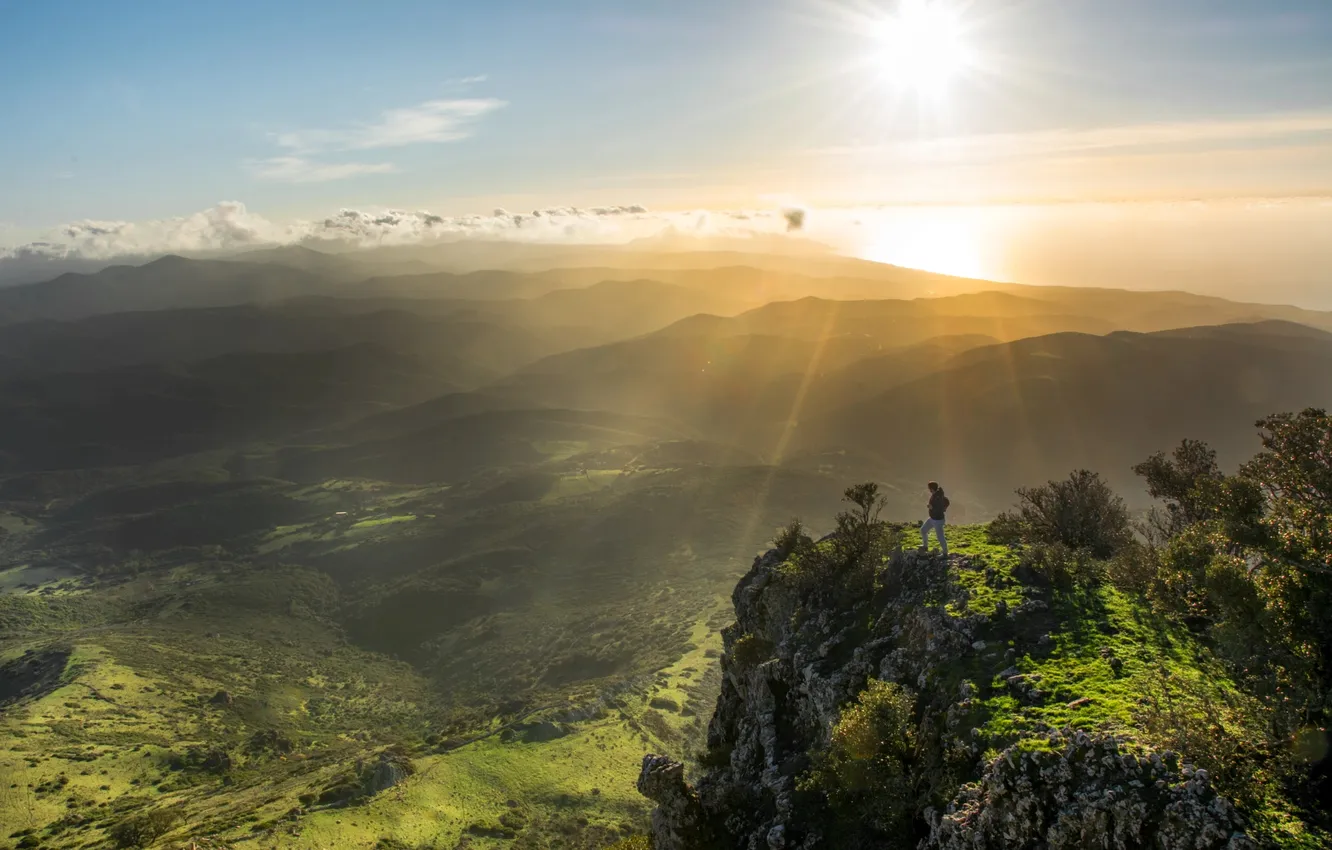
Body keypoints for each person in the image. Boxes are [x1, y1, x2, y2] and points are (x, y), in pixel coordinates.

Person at [920, 481, 949, 557]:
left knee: (940, 536)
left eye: (929, 488)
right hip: (932, 518)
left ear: (932, 488)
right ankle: (925, 547)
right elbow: (947, 501)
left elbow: (939, 508)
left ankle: (945, 552)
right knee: (923, 530)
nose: (929, 490)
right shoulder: (937, 494)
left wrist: (931, 508)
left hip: (938, 520)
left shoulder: (938, 497)